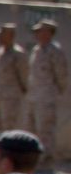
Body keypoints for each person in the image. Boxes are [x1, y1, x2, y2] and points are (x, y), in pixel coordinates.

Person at [28, 19, 67, 160]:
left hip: (47, 97)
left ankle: (46, 159)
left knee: (45, 130)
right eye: (37, 32)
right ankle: (32, 158)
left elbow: (62, 76)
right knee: (32, 129)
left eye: (41, 31)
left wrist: (54, 93)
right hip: (34, 95)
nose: (38, 34)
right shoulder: (36, 50)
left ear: (49, 33)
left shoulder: (54, 51)